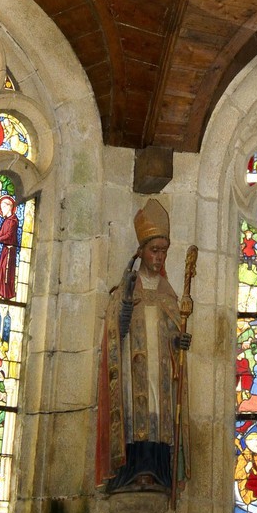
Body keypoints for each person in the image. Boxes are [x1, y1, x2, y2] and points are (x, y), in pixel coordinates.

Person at [96, 198, 191, 494]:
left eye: (164, 251)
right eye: (154, 250)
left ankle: (160, 470)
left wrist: (180, 341)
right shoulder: (126, 289)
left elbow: (175, 335)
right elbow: (114, 331)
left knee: (157, 414)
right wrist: (121, 316)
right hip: (132, 369)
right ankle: (132, 470)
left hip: (160, 374)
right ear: (142, 252)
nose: (160, 257)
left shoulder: (168, 294)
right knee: (135, 414)